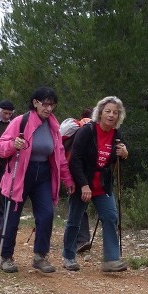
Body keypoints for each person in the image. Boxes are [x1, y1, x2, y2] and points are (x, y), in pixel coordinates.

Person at [0, 87, 74, 273]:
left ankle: (40, 256)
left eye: (52, 104)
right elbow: (0, 147)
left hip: (43, 175)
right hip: (20, 173)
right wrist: (13, 145)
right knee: (12, 217)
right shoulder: (20, 121)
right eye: (45, 104)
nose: (49, 108)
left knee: (46, 214)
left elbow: (60, 156)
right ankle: (5, 257)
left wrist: (68, 179)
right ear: (35, 103)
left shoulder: (54, 126)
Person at [62, 96, 129, 273]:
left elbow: (115, 160)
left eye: (115, 112)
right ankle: (68, 256)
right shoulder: (87, 131)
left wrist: (124, 154)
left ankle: (111, 260)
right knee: (75, 220)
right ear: (100, 112)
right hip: (81, 183)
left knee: (110, 217)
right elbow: (75, 160)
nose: (111, 115)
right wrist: (83, 185)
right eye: (108, 111)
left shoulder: (116, 135)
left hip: (102, 185)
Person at [59, 107, 93, 251]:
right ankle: (78, 240)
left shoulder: (73, 128)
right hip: (83, 172)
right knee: (79, 207)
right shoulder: (91, 130)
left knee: (77, 205)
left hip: (69, 171)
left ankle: (77, 239)